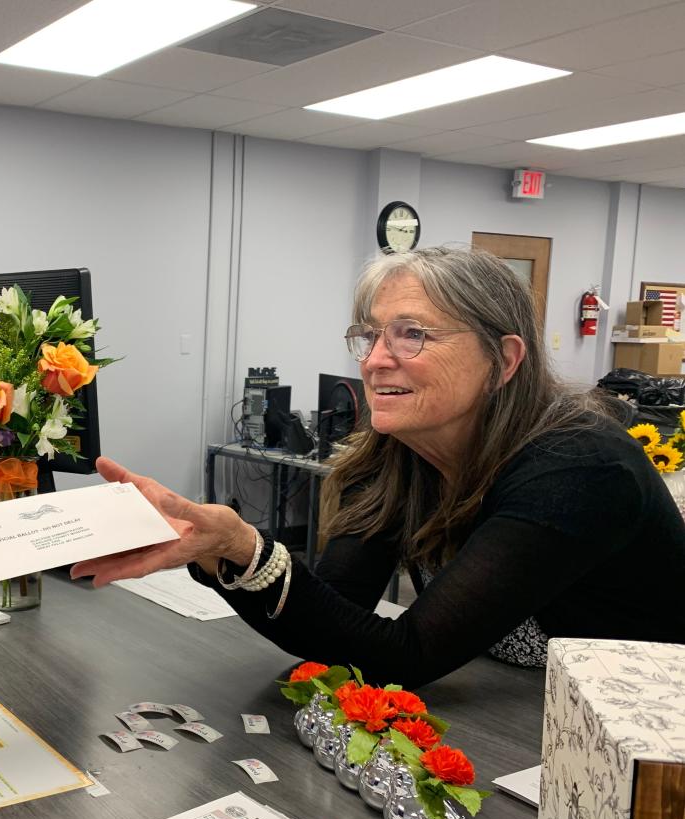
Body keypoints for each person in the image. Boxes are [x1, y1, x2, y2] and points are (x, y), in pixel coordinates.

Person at [70, 246, 685, 685]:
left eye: (411, 334)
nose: (375, 361)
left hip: (648, 726)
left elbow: (408, 655)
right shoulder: (396, 454)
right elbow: (336, 617)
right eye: (370, 337)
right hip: (528, 701)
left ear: (503, 360)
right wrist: (223, 551)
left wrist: (248, 549)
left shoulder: (578, 466)